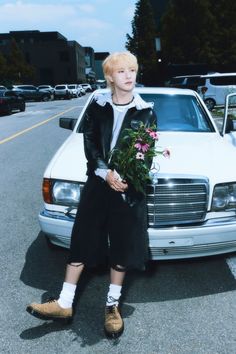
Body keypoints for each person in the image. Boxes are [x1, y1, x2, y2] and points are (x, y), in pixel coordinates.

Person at [26, 51, 157, 339]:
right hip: (98, 183)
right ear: (110, 77)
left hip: (127, 188)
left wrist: (127, 176)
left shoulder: (146, 110)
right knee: (82, 239)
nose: (129, 76)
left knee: (122, 245)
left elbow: (145, 152)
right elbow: (91, 145)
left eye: (132, 70)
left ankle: (111, 307)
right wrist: (104, 172)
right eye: (122, 71)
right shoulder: (97, 107)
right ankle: (64, 302)